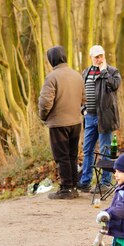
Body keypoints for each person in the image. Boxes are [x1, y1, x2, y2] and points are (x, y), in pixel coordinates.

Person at [38, 46, 85, 199]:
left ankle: (66, 189)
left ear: (51, 59)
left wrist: (43, 116)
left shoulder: (52, 77)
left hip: (59, 123)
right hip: (76, 122)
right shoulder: (77, 75)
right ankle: (73, 187)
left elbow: (45, 102)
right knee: (72, 155)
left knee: (62, 156)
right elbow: (84, 99)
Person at [77, 45, 121, 192]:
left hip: (105, 117)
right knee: (87, 149)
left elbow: (115, 85)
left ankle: (105, 182)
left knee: (105, 150)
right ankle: (85, 181)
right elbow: (80, 93)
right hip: (89, 117)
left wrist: (104, 73)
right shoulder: (85, 73)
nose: (99, 59)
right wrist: (83, 109)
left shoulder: (112, 71)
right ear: (91, 57)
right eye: (96, 56)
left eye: (101, 56)